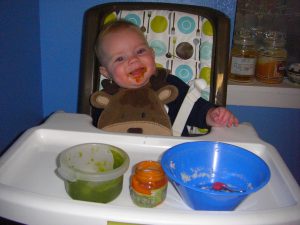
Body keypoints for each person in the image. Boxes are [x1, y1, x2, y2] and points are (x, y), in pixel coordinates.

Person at [94, 20, 238, 136]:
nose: (133, 60)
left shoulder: (168, 85)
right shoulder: (106, 98)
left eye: (140, 51)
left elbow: (194, 108)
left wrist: (212, 114)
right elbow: (95, 133)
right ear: (106, 72)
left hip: (170, 157)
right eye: (120, 58)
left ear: (152, 54)